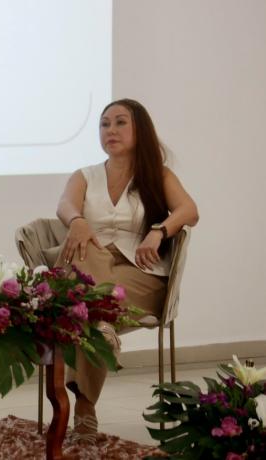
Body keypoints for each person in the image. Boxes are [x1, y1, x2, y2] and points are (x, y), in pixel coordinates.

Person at [55, 98, 199, 441]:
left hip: (140, 276)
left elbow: (189, 210)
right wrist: (76, 220)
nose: (111, 130)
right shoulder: (84, 175)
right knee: (84, 247)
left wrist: (159, 230)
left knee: (85, 309)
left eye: (120, 123)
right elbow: (64, 204)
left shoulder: (158, 175)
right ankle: (101, 321)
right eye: (104, 124)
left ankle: (85, 409)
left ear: (140, 130)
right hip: (92, 265)